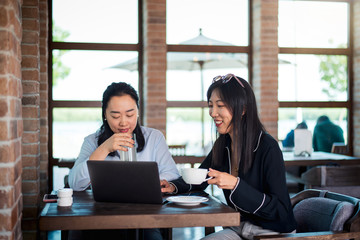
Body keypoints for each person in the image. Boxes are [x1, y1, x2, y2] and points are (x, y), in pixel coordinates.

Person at [161, 74, 297, 240]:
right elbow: (201, 176)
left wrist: (236, 185)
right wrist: (173, 186)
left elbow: (280, 210)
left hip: (272, 234)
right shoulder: (223, 143)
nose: (212, 113)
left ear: (244, 109)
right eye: (211, 106)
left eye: (220, 105)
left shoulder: (268, 147)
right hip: (239, 228)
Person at [68, 82, 180, 240]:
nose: (123, 122)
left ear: (138, 112)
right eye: (115, 116)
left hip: (145, 217)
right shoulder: (92, 141)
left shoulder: (154, 138)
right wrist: (104, 149)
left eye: (130, 114)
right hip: (101, 216)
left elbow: (172, 174)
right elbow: (75, 183)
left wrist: (151, 182)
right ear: (105, 115)